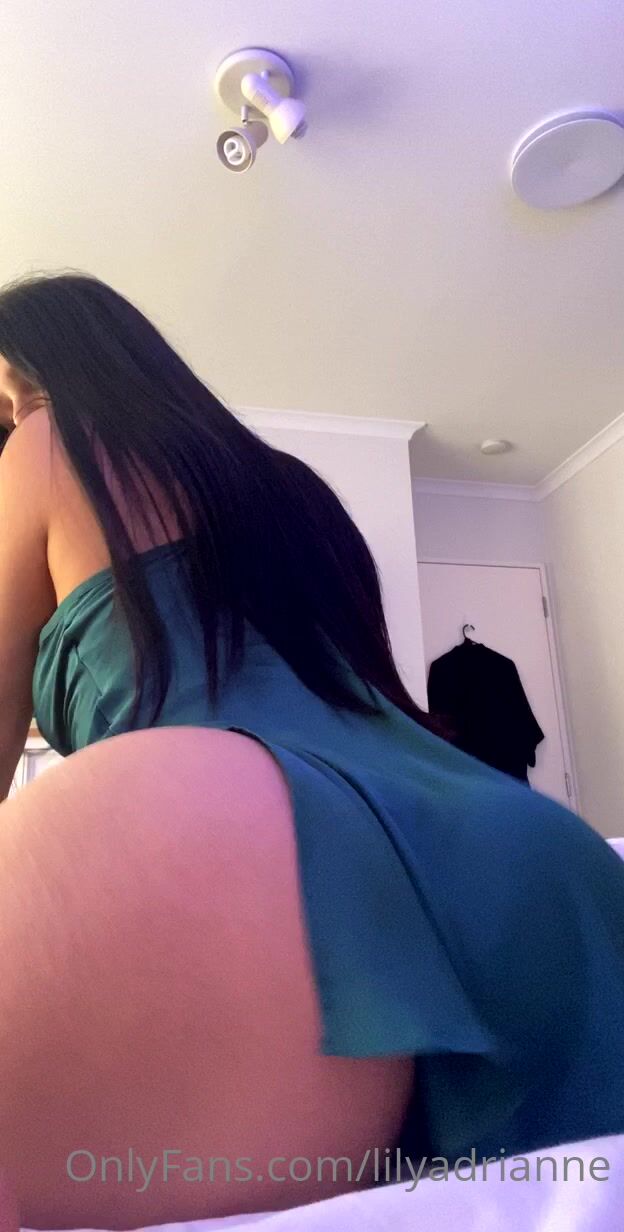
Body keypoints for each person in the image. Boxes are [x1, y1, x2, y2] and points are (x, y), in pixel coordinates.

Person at [0, 273, 623, 1230]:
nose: (11, 422)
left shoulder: (49, 444)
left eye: (10, 396)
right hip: (520, 844)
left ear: (53, 374)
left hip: (218, 833)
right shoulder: (294, 489)